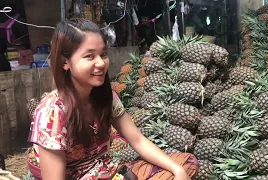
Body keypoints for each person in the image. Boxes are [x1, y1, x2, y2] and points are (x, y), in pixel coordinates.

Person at [27, 18, 199, 180]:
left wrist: (177, 169)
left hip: (108, 171)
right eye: (89, 56)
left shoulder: (106, 97)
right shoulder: (52, 113)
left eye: (103, 54)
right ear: (65, 62)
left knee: (186, 163)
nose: (101, 63)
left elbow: (137, 140)